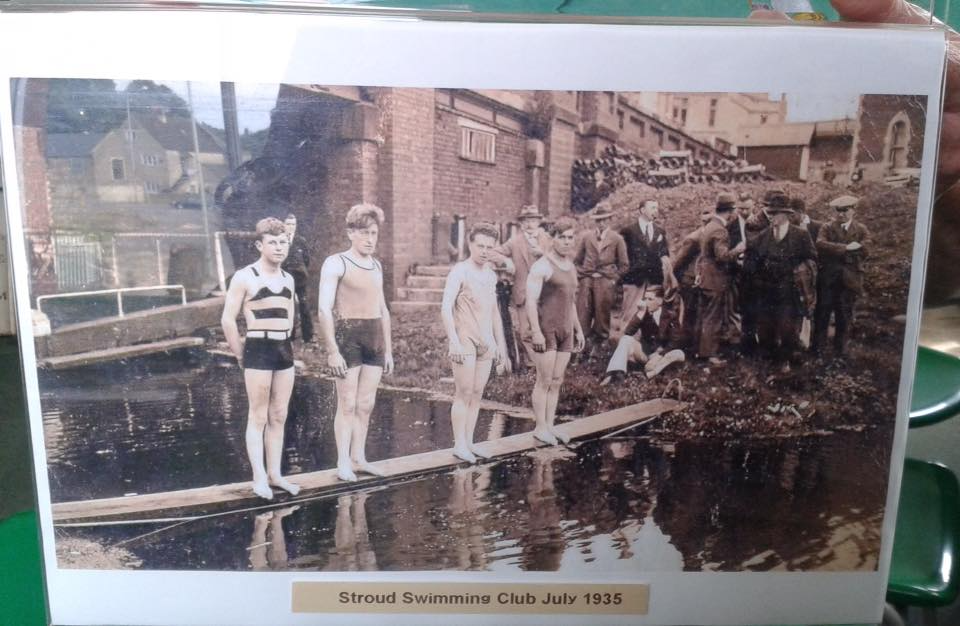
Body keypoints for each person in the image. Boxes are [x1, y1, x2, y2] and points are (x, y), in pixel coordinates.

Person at [221, 217, 300, 500]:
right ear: (259, 245)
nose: (279, 248)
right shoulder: (245, 276)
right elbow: (228, 320)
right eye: (272, 242)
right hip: (257, 349)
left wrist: (288, 343)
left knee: (279, 415)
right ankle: (258, 478)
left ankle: (276, 475)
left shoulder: (288, 278)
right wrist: (240, 353)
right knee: (258, 415)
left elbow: (290, 316)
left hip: (283, 351)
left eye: (283, 242)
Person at [317, 203, 394, 482]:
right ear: (350, 233)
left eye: (374, 233)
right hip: (348, 336)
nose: (370, 239)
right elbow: (324, 309)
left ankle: (359, 458)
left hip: (374, 337)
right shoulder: (336, 262)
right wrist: (332, 351)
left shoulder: (377, 265)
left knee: (366, 403)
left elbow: (383, 308)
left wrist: (389, 350)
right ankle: (342, 462)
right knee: (347, 403)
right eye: (363, 233)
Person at [440, 222, 511, 463]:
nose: (484, 251)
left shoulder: (491, 275)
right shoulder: (460, 271)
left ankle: (469, 442)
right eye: (480, 246)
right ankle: (459, 444)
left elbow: (494, 313)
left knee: (478, 393)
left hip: (486, 340)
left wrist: (500, 345)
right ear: (470, 244)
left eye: (489, 247)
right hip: (465, 338)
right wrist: (453, 341)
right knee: (464, 391)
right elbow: (446, 307)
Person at [526, 216, 585, 446]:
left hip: (566, 330)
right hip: (547, 330)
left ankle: (550, 425)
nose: (567, 242)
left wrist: (578, 330)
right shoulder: (542, 266)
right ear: (553, 239)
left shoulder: (571, 267)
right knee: (544, 379)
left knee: (557, 380)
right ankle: (540, 427)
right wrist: (536, 332)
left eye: (571, 238)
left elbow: (570, 302)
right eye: (563, 238)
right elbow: (531, 301)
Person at [748, 191, 818, 370]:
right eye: (769, 213)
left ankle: (785, 361)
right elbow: (753, 263)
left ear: (786, 214)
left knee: (788, 328)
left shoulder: (800, 236)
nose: (771, 217)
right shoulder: (762, 237)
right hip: (766, 292)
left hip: (790, 292)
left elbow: (812, 259)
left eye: (775, 213)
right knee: (766, 327)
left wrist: (802, 275)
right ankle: (769, 361)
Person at [491, 205, 552, 370]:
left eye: (533, 220)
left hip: (546, 292)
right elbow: (494, 252)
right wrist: (506, 261)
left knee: (546, 328)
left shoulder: (548, 239)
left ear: (539, 222)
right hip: (523, 292)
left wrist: (544, 254)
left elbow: (562, 260)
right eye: (526, 220)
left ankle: (548, 363)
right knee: (526, 331)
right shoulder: (515, 241)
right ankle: (533, 365)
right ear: (521, 223)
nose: (530, 224)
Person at [812, 195, 869, 356]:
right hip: (828, 280)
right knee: (822, 314)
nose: (841, 214)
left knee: (844, 316)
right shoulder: (827, 227)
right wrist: (846, 248)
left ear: (853, 210)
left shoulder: (861, 229)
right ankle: (817, 350)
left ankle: (841, 352)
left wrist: (854, 248)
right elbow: (821, 244)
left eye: (845, 210)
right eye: (838, 210)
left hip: (850, 281)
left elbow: (866, 249)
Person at [695, 193, 746, 364]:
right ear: (730, 212)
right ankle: (709, 355)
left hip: (705, 276)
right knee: (713, 317)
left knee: (705, 315)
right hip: (715, 278)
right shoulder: (720, 230)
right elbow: (722, 256)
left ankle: (702, 351)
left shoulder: (709, 226)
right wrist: (739, 249)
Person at [600, 284, 685, 386]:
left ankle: (649, 374)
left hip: (662, 356)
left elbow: (676, 340)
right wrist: (640, 313)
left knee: (679, 353)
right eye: (645, 298)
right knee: (626, 339)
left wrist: (660, 354)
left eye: (650, 299)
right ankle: (616, 373)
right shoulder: (643, 313)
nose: (646, 303)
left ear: (660, 301)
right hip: (646, 353)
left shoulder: (670, 315)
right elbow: (628, 332)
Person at [574, 202, 629, 357]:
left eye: (605, 219)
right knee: (583, 312)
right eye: (598, 220)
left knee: (602, 314)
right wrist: (582, 274)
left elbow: (624, 265)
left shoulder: (617, 239)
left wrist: (612, 279)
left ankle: (600, 348)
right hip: (587, 281)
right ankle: (581, 347)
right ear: (595, 221)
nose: (601, 223)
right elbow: (577, 260)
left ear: (610, 220)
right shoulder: (587, 237)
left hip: (605, 282)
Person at [619, 199, 675, 330]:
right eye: (652, 208)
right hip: (634, 279)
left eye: (656, 208)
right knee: (630, 314)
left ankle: (648, 347)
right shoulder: (628, 231)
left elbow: (664, 253)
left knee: (652, 314)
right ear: (642, 210)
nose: (656, 211)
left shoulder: (660, 231)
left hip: (653, 281)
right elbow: (621, 257)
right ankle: (625, 344)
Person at [672, 207, 714, 351]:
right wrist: (682, 280)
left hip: (702, 280)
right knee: (690, 314)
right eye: (705, 221)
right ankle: (685, 347)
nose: (707, 224)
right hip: (690, 281)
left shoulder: (711, 236)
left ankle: (695, 347)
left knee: (700, 315)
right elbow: (678, 262)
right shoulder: (694, 238)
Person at [282, 213, 314, 343]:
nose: (291, 227)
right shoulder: (281, 240)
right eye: (288, 224)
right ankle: (290, 335)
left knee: (304, 305)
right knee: (288, 306)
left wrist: (301, 271)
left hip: (300, 279)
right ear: (284, 225)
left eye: (293, 224)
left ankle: (308, 336)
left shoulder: (301, 241)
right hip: (285, 278)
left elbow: (306, 260)